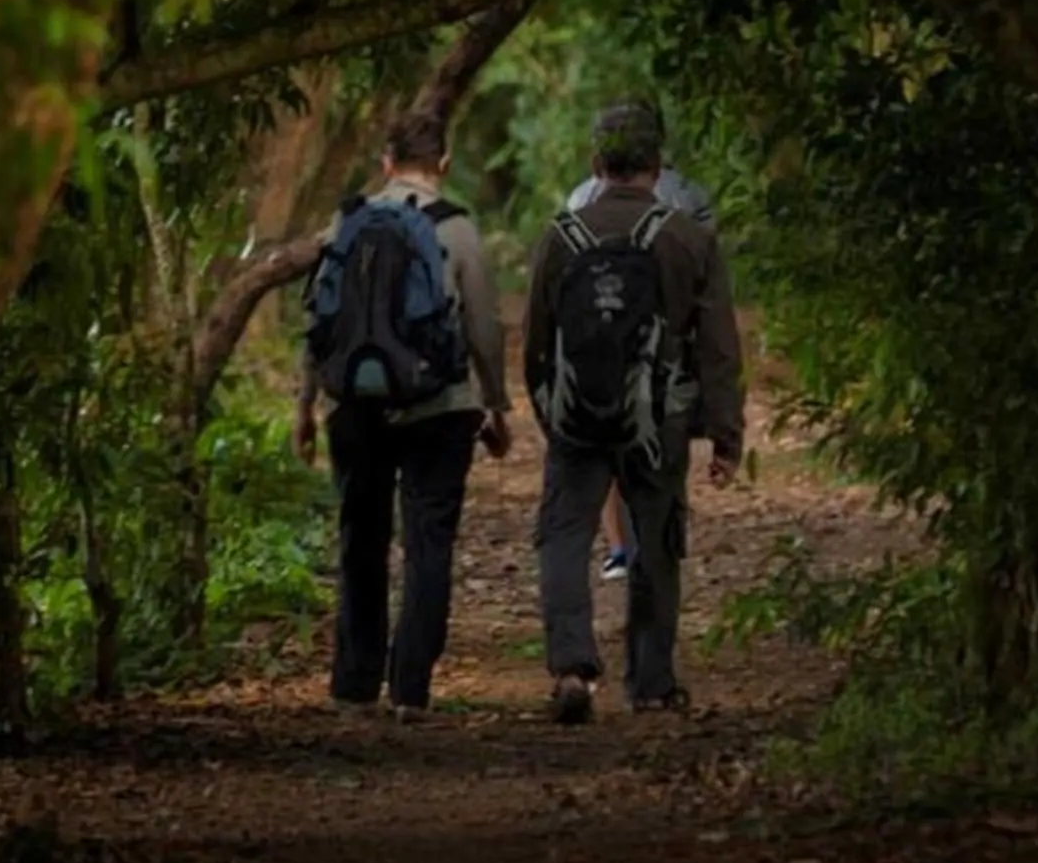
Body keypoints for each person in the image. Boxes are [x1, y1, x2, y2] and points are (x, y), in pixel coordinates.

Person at [525, 103, 744, 724]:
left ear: (597, 163)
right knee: (656, 540)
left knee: (565, 535)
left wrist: (551, 417)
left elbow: (537, 343)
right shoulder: (689, 239)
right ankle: (651, 682)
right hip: (659, 418)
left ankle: (571, 667)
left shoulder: (560, 237)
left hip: (577, 417)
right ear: (658, 163)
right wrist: (724, 434)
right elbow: (719, 347)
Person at [295, 110, 512, 719]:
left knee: (360, 538)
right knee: (428, 541)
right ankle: (410, 689)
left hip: (354, 405)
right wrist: (496, 406)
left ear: (386, 164)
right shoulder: (458, 228)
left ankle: (354, 685)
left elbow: (318, 321)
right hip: (440, 407)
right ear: (443, 163)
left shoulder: (347, 221)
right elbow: (484, 327)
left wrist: (306, 405)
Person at [559, 111, 716, 584]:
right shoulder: (689, 197)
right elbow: (706, 281)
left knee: (606, 442)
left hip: (598, 347)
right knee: (665, 454)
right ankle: (659, 547)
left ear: (599, 153)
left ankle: (619, 548)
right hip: (667, 350)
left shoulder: (580, 198)